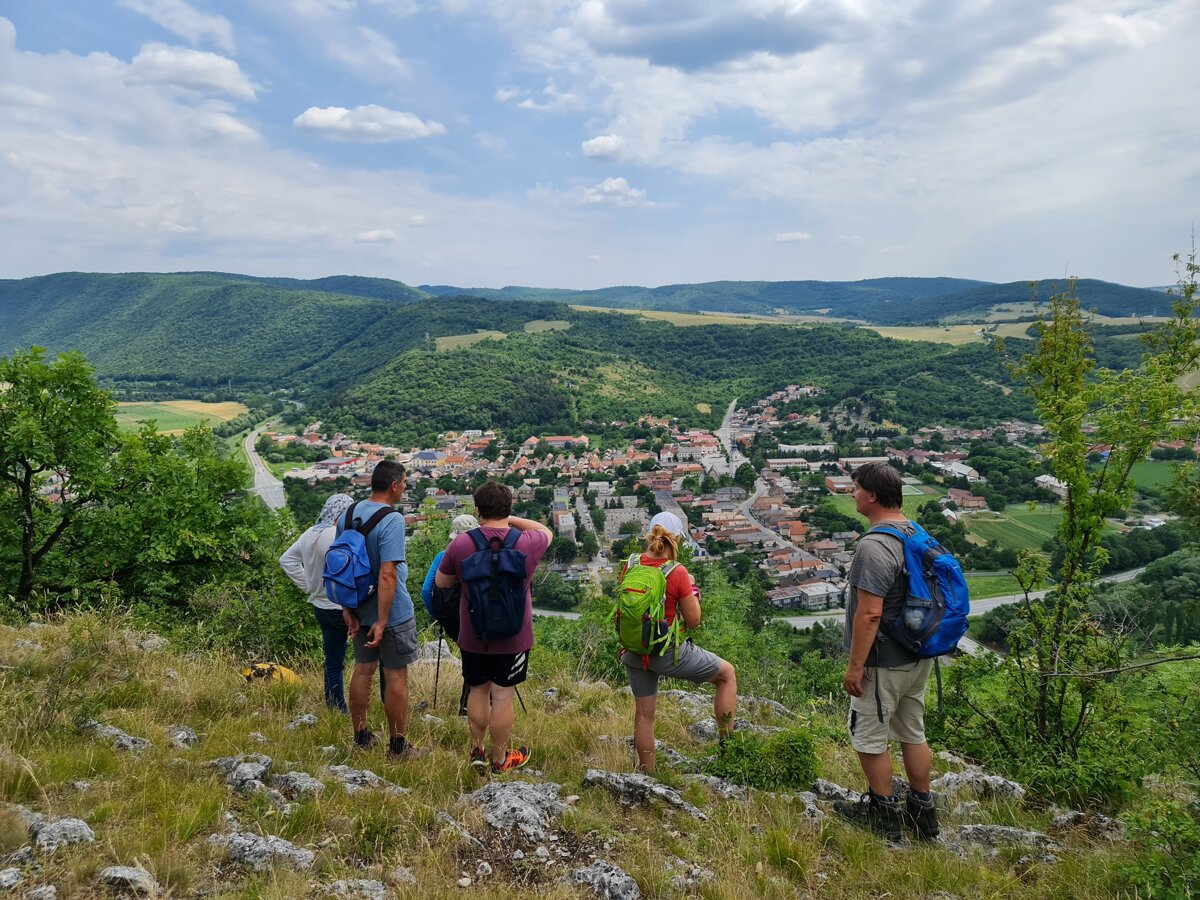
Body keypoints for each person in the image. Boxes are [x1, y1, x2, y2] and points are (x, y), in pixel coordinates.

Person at [835, 461, 939, 842]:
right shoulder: (915, 533)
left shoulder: (874, 545)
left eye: (856, 487)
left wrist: (855, 667)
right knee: (913, 732)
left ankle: (884, 814)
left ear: (872, 495)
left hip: (883, 662)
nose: (852, 493)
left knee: (869, 737)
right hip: (918, 654)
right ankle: (923, 813)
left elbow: (870, 613)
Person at [435, 481, 551, 774]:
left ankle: (477, 750)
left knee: (477, 691)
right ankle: (500, 760)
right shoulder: (526, 542)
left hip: (474, 634)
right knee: (502, 696)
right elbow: (545, 531)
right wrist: (509, 520)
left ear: (477, 510)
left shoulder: (461, 543)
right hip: (514, 637)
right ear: (509, 508)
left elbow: (441, 583)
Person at [621, 511, 737, 774]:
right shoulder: (677, 571)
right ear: (677, 540)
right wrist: (692, 590)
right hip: (667, 652)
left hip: (634, 650)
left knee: (644, 716)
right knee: (727, 675)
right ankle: (729, 754)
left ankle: (646, 775)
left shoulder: (631, 563)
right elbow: (694, 620)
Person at [341, 460, 423, 759]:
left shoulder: (348, 514)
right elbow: (387, 573)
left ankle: (361, 737)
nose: (405, 488)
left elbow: (340, 566)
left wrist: (347, 608)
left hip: (359, 607)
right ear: (393, 485)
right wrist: (384, 619)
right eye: (404, 483)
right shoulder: (392, 519)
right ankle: (398, 747)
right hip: (392, 612)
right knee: (396, 677)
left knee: (363, 671)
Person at [279, 493, 356, 712]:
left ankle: (335, 706)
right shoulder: (336, 534)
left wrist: (309, 585)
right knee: (365, 658)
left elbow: (287, 560)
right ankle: (362, 706)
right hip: (341, 606)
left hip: (320, 605)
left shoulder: (310, 533)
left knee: (332, 660)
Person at [421, 513, 479, 715]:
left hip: (454, 621)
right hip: (482, 618)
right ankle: (479, 708)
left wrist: (440, 616)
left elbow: (426, 591)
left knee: (469, 660)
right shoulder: (485, 554)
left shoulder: (443, 556)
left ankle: (466, 708)